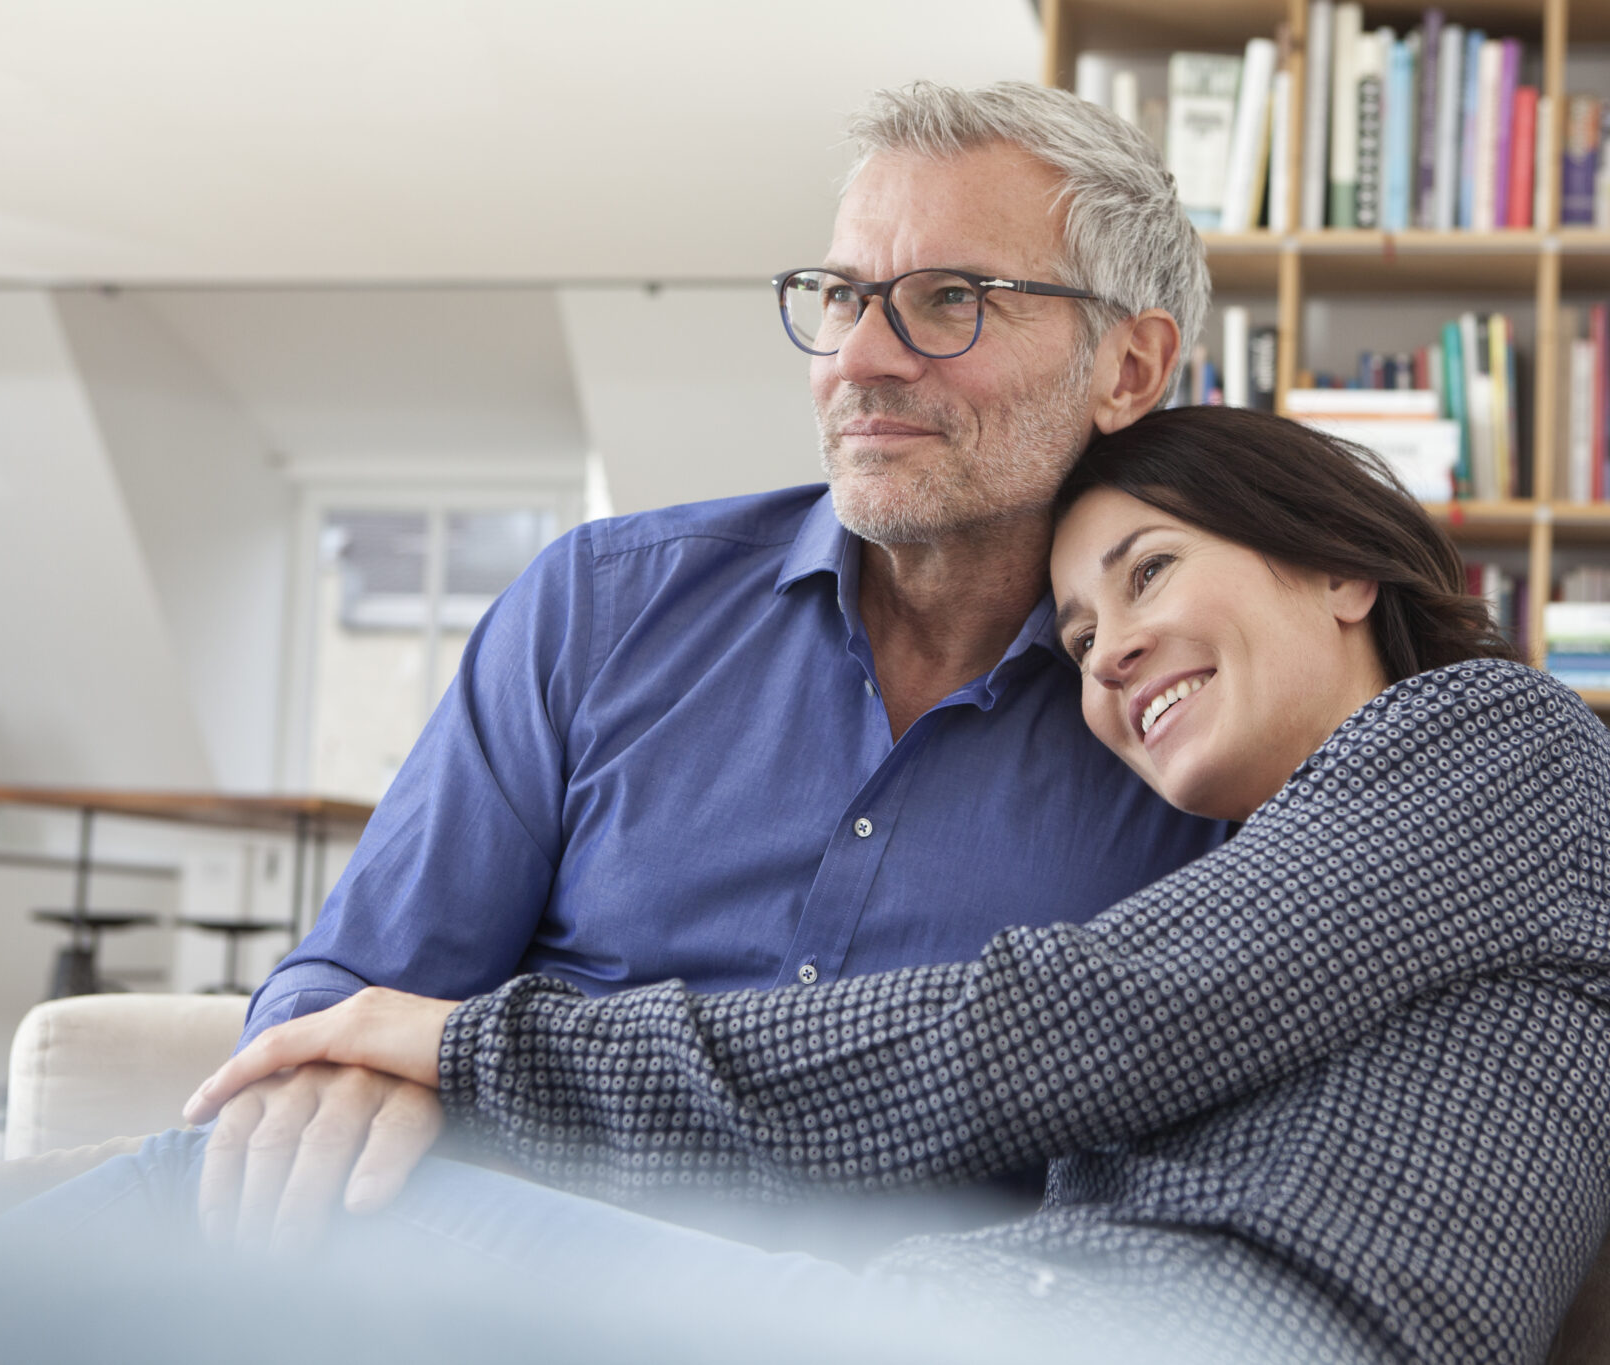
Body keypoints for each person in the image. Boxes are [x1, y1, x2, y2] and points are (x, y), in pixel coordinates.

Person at [162, 406, 1610, 1363]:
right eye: (1083, 640)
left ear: (1342, 567)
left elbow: (1033, 1034)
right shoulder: (1319, 845)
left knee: (203, 1220)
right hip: (1018, 1316)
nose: (1111, 659)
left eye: (1151, 573)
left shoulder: (1494, 743)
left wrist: (464, 1048)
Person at [181, 80, 1229, 1249]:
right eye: (840, 296)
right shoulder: (597, 608)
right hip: (485, 1276)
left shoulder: (1200, 728)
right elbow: (351, 985)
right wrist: (337, 1076)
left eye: (950, 300)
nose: (861, 358)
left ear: (1128, 369)